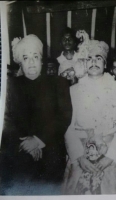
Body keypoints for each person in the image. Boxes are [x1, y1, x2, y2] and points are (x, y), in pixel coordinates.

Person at [0, 35, 72, 195]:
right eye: (26, 58)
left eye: (35, 57)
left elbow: (64, 116)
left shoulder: (59, 83)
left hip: (51, 154)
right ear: (20, 62)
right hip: (19, 154)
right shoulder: (11, 86)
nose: (31, 62)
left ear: (42, 59)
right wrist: (26, 144)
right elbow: (5, 120)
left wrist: (39, 140)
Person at [62, 38, 116, 194]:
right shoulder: (73, 90)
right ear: (85, 62)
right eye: (90, 58)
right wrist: (79, 157)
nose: (94, 62)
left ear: (105, 63)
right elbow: (68, 127)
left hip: (110, 153)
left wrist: (111, 156)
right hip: (81, 155)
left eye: (98, 58)